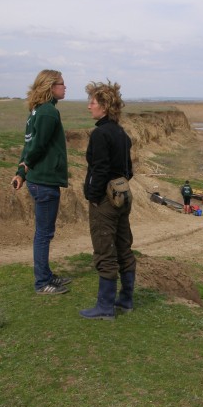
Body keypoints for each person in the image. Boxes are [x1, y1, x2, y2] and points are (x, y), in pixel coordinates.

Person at [11, 70, 71, 295]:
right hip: (45, 182)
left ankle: (47, 276)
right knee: (44, 234)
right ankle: (42, 283)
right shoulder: (48, 113)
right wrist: (24, 169)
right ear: (50, 86)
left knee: (43, 233)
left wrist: (21, 171)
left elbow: (28, 145)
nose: (65, 87)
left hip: (40, 180)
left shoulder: (37, 111)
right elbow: (36, 148)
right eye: (62, 84)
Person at [79, 80, 136, 320]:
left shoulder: (101, 133)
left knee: (104, 250)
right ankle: (126, 299)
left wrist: (92, 196)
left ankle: (105, 307)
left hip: (105, 200)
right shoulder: (120, 132)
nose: (89, 106)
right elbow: (128, 170)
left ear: (104, 106)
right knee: (123, 246)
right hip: (123, 197)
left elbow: (99, 170)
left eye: (92, 102)